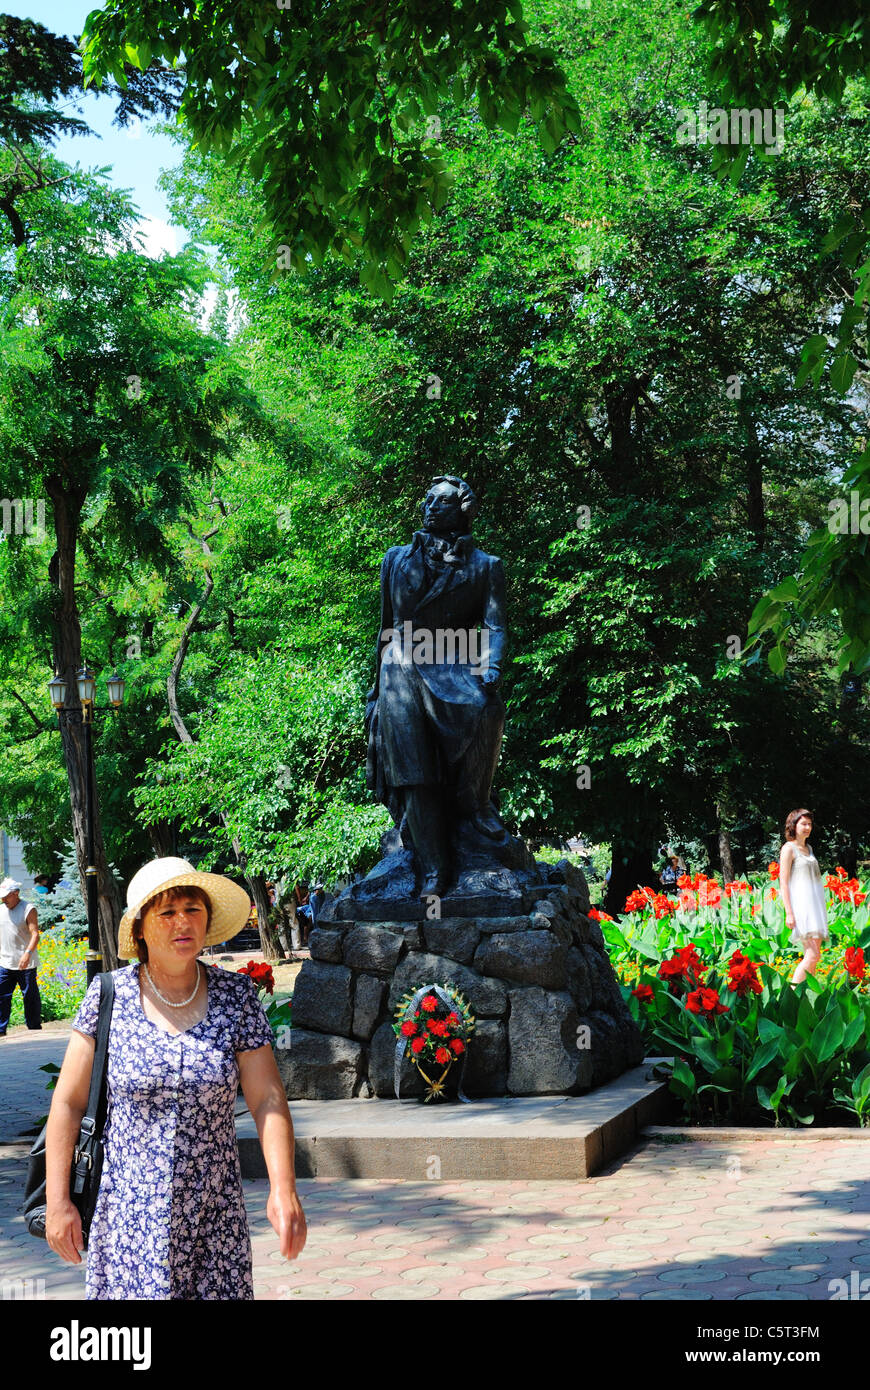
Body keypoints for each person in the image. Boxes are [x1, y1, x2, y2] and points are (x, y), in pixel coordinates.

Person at [44, 856, 306, 1299]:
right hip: (129, 1219)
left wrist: (284, 1189)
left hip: (214, 1217)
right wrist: (58, 1203)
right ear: (142, 928)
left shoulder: (235, 997)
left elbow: (267, 1101)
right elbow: (68, 1103)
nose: (182, 922)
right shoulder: (109, 995)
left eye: (192, 910)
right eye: (167, 912)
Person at [779, 809, 828, 985]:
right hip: (802, 906)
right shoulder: (788, 849)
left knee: (814, 956)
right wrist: (789, 913)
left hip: (816, 905)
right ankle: (792, 994)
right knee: (813, 954)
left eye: (809, 824)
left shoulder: (809, 848)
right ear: (794, 825)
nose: (807, 827)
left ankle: (806, 996)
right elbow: (783, 882)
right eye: (803, 824)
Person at [0, 878, 42, 1036]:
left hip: (26, 963)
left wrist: (27, 953)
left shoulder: (28, 909)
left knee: (30, 997)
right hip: (5, 961)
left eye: (7, 896)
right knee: (1, 996)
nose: (3, 899)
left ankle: (34, 1029)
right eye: (2, 896)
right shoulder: (1, 910)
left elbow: (35, 934)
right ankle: (0, 1029)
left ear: (16, 893)